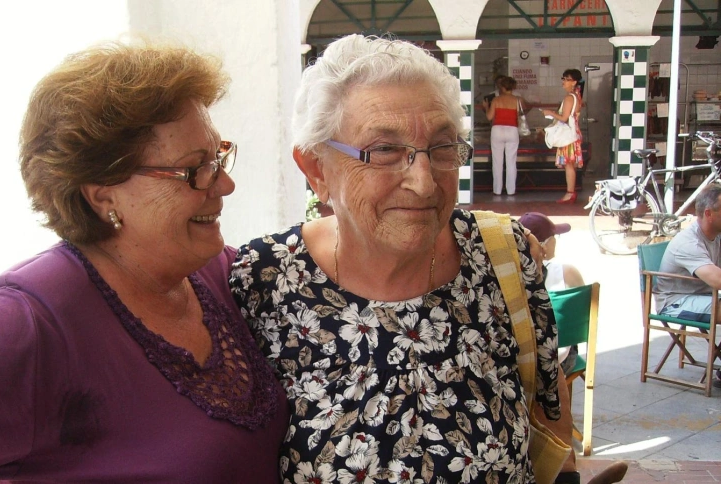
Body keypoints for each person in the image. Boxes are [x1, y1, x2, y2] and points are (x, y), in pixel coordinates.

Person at [0, 41, 287, 483]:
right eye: (194, 168)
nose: (225, 184)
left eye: (218, 158)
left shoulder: (217, 272)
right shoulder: (37, 319)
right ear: (103, 195)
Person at [230, 34, 561, 483]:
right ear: (315, 169)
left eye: (442, 147)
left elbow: (549, 407)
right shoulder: (261, 279)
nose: (424, 183)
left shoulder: (502, 255)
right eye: (383, 150)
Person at [519, 213, 629, 484]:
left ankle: (567, 476)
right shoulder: (565, 271)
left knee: (546, 376)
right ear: (541, 245)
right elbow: (584, 319)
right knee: (545, 379)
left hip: (547, 359)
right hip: (560, 355)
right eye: (554, 236)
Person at [656, 184, 721, 388]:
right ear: (709, 213)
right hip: (675, 301)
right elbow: (716, 279)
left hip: (702, 296)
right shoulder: (689, 242)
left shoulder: (716, 236)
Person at [543, 69, 584, 204]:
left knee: (569, 165)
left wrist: (550, 113)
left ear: (574, 82)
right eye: (564, 78)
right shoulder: (576, 97)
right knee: (570, 165)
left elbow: (564, 117)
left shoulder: (569, 97)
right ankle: (570, 192)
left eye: (567, 79)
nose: (564, 82)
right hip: (574, 135)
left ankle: (570, 192)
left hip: (568, 137)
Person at [483, 76, 528, 196]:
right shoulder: (517, 100)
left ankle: (497, 190)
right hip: (512, 130)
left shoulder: (496, 100)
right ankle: (511, 190)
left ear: (502, 87)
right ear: (513, 87)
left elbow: (489, 117)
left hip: (497, 130)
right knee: (511, 162)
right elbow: (524, 111)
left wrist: (486, 106)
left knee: (497, 162)